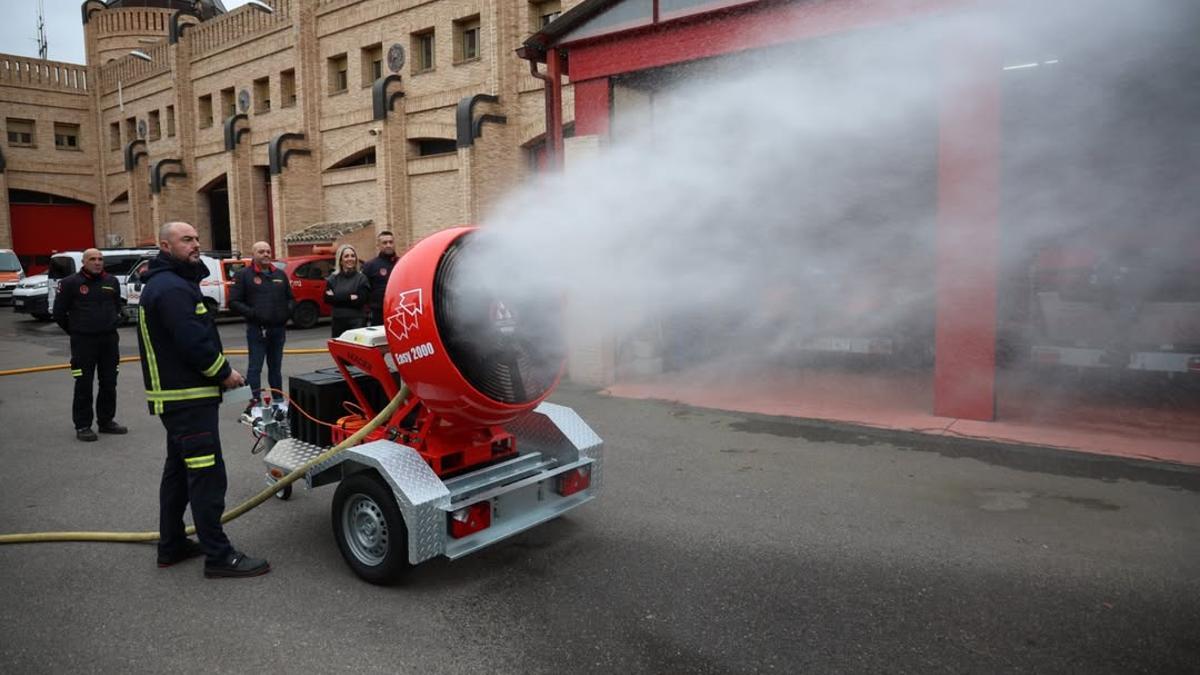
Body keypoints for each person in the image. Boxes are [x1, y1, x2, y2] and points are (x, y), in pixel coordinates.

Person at [137, 221, 270, 578]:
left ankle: (172, 545)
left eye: (197, 238)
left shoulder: (173, 284)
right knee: (207, 477)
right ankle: (219, 556)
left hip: (181, 402)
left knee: (179, 474)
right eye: (186, 240)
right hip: (188, 401)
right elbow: (192, 342)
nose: (196, 244)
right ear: (165, 246)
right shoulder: (171, 289)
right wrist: (225, 373)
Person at [53, 248, 128, 442]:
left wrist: (113, 322)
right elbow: (59, 313)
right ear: (84, 262)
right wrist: (77, 331)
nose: (97, 262)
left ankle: (106, 421)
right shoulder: (70, 283)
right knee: (83, 384)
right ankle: (83, 425)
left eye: (100, 259)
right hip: (83, 342)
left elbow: (117, 307)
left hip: (109, 341)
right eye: (93, 259)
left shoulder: (111, 282)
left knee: (109, 382)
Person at [228, 241, 294, 409]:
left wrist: (287, 313)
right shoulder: (243, 275)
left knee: (275, 368)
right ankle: (254, 401)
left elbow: (290, 298)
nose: (265, 254)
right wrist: (254, 314)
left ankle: (279, 401)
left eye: (268, 251)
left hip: (278, 330)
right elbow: (234, 302)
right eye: (261, 252)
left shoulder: (279, 274)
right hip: (257, 330)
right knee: (255, 368)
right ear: (253, 254)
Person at [325, 243, 370, 338]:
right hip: (338, 322)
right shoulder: (332, 279)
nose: (350, 259)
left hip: (357, 322)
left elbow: (361, 300)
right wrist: (350, 296)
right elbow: (328, 299)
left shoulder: (362, 279)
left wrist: (337, 297)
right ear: (340, 260)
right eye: (346, 256)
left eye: (353, 256)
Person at [362, 230, 397, 326]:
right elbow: (364, 291)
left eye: (391, 242)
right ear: (378, 246)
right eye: (385, 243)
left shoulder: (401, 263)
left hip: (398, 311)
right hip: (378, 313)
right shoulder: (370, 266)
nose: (388, 245)